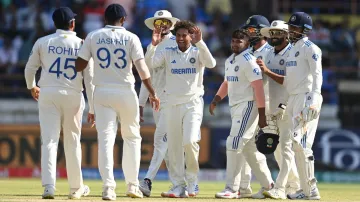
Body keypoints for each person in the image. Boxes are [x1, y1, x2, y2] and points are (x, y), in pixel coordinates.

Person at [75, 4, 160, 200]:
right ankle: (132, 185)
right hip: (125, 92)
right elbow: (142, 71)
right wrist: (152, 93)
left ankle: (108, 188)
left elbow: (80, 66)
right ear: (123, 20)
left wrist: (83, 52)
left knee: (105, 140)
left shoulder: (93, 36)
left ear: (105, 19)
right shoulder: (131, 37)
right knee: (132, 138)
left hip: (102, 92)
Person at [24, 7, 93, 199]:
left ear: (54, 24)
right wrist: (93, 106)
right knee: (72, 141)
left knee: (49, 141)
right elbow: (90, 78)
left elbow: (29, 70)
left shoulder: (43, 42)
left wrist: (32, 86)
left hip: (48, 92)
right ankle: (76, 188)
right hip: (73, 93)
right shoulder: (82, 43)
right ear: (72, 23)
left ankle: (49, 187)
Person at [145, 20, 216, 198]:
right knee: (174, 147)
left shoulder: (197, 51)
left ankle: (192, 181)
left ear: (191, 36)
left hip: (192, 103)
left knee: (190, 141)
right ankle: (178, 184)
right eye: (178, 35)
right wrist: (153, 45)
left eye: (184, 35)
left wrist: (200, 42)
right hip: (171, 104)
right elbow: (150, 65)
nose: (181, 38)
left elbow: (212, 64)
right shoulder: (168, 52)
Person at [256, 12, 322, 200]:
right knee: (295, 145)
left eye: (295, 28)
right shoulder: (292, 49)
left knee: (300, 144)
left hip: (306, 98)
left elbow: (318, 75)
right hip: (292, 99)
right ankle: (304, 189)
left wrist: (314, 99)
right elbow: (289, 81)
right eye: (291, 28)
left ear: (306, 29)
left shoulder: (312, 48)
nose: (292, 31)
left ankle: (311, 190)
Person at [210, 27, 274, 199]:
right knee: (249, 150)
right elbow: (227, 82)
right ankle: (269, 185)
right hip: (235, 106)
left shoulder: (249, 60)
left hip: (248, 106)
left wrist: (261, 115)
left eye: (239, 41)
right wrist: (216, 99)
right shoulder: (231, 60)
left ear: (247, 43)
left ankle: (232, 188)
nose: (235, 44)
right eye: (233, 40)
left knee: (233, 142)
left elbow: (258, 88)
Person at [257, 20, 300, 199]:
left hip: (288, 107)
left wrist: (266, 70)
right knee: (276, 149)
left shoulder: (292, 53)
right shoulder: (268, 52)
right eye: (272, 33)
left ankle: (281, 188)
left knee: (286, 148)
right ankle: (294, 184)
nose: (274, 36)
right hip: (272, 106)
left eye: (278, 33)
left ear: (286, 35)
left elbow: (290, 81)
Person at [138, 10, 179, 197]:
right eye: (158, 22)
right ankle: (179, 184)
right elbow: (146, 75)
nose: (161, 26)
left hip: (172, 101)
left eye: (165, 22)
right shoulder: (151, 46)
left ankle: (147, 181)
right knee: (166, 146)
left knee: (159, 141)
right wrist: (140, 104)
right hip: (157, 102)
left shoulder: (176, 43)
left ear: (170, 25)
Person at [233, 15, 273, 199]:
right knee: (247, 146)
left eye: (251, 30)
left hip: (269, 106)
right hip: (252, 104)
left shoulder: (270, 52)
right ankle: (245, 187)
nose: (248, 34)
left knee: (282, 151)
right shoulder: (247, 52)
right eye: (247, 30)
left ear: (262, 32)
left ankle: (288, 187)